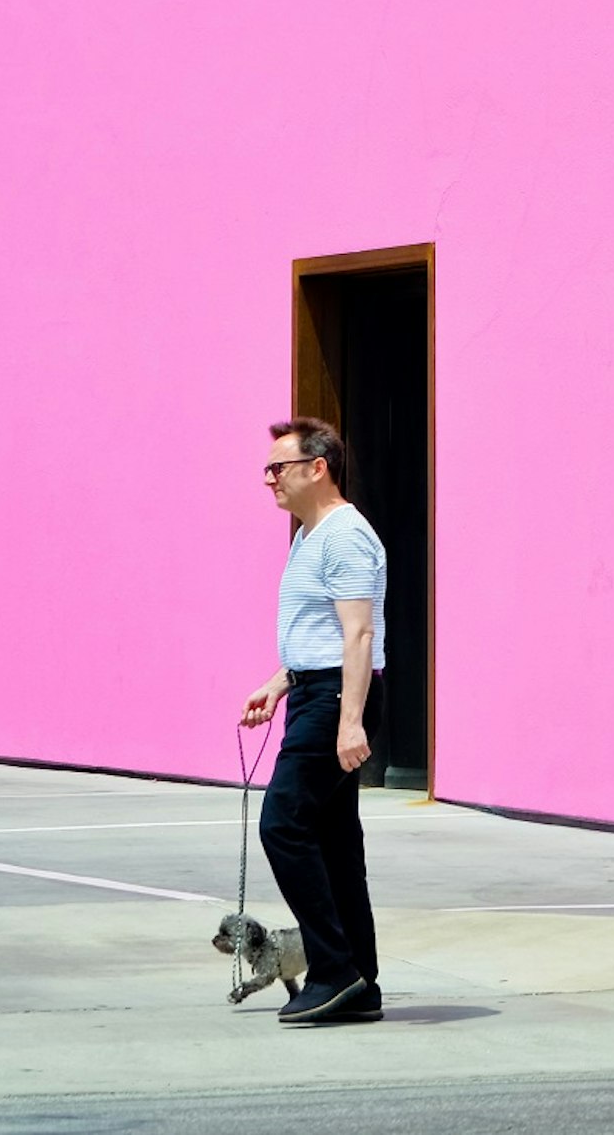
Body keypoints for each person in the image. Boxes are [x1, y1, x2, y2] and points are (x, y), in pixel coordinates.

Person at [241, 418, 386, 1025]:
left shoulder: (345, 536)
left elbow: (358, 633)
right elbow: (322, 635)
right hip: (314, 693)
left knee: (283, 824)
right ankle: (360, 983)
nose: (268, 478)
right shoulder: (309, 534)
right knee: (333, 841)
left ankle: (333, 969)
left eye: (279, 466)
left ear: (317, 467)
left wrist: (349, 721)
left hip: (334, 701)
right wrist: (279, 684)